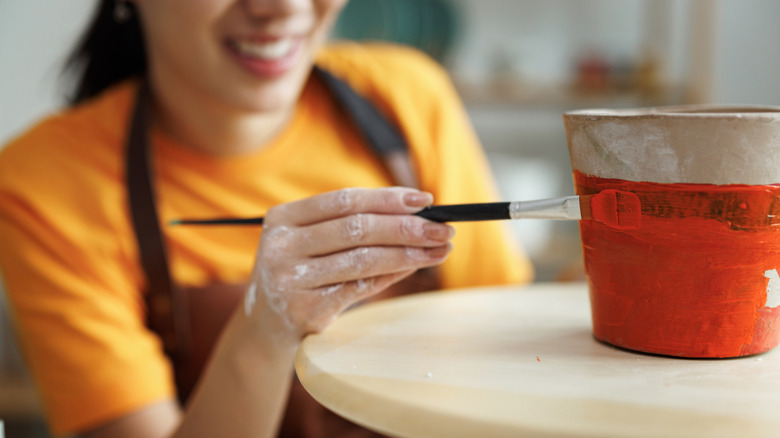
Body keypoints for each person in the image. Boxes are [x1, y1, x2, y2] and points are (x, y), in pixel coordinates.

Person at [0, 0, 533, 437]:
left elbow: (508, 358)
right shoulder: (43, 185)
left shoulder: (408, 94)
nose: (283, 9)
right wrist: (265, 326)